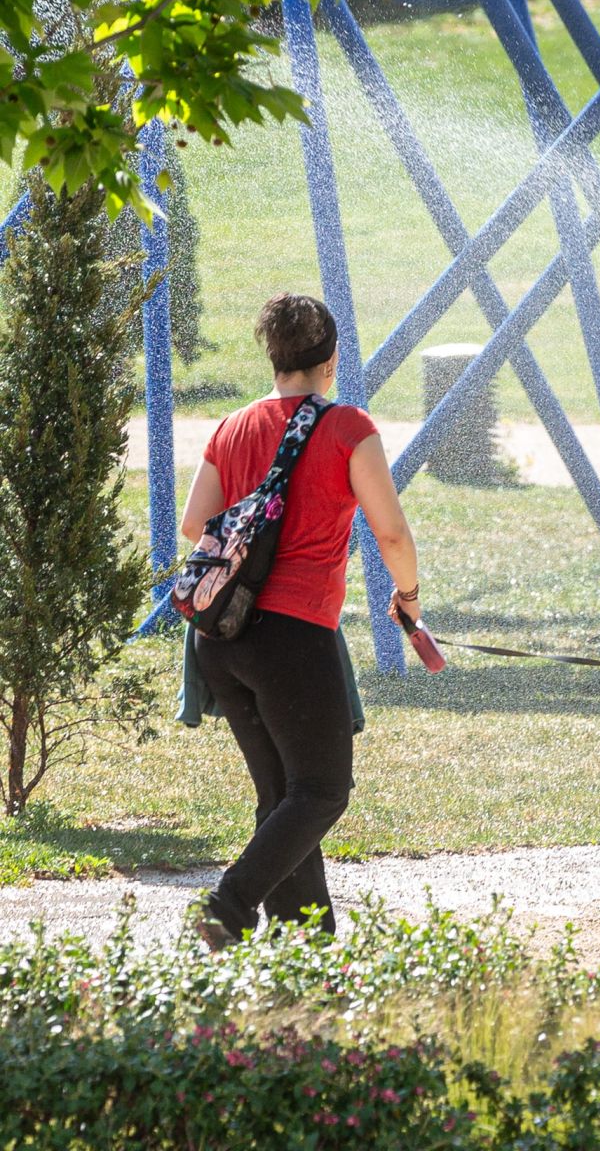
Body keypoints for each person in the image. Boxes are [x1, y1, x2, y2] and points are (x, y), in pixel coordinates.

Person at [178, 293, 422, 949]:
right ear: (331, 360)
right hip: (294, 637)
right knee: (323, 792)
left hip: (220, 640)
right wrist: (409, 598)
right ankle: (228, 907)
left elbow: (195, 525)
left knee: (284, 797)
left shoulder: (231, 427)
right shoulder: (346, 427)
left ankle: (305, 950)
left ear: (274, 357)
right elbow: (392, 534)